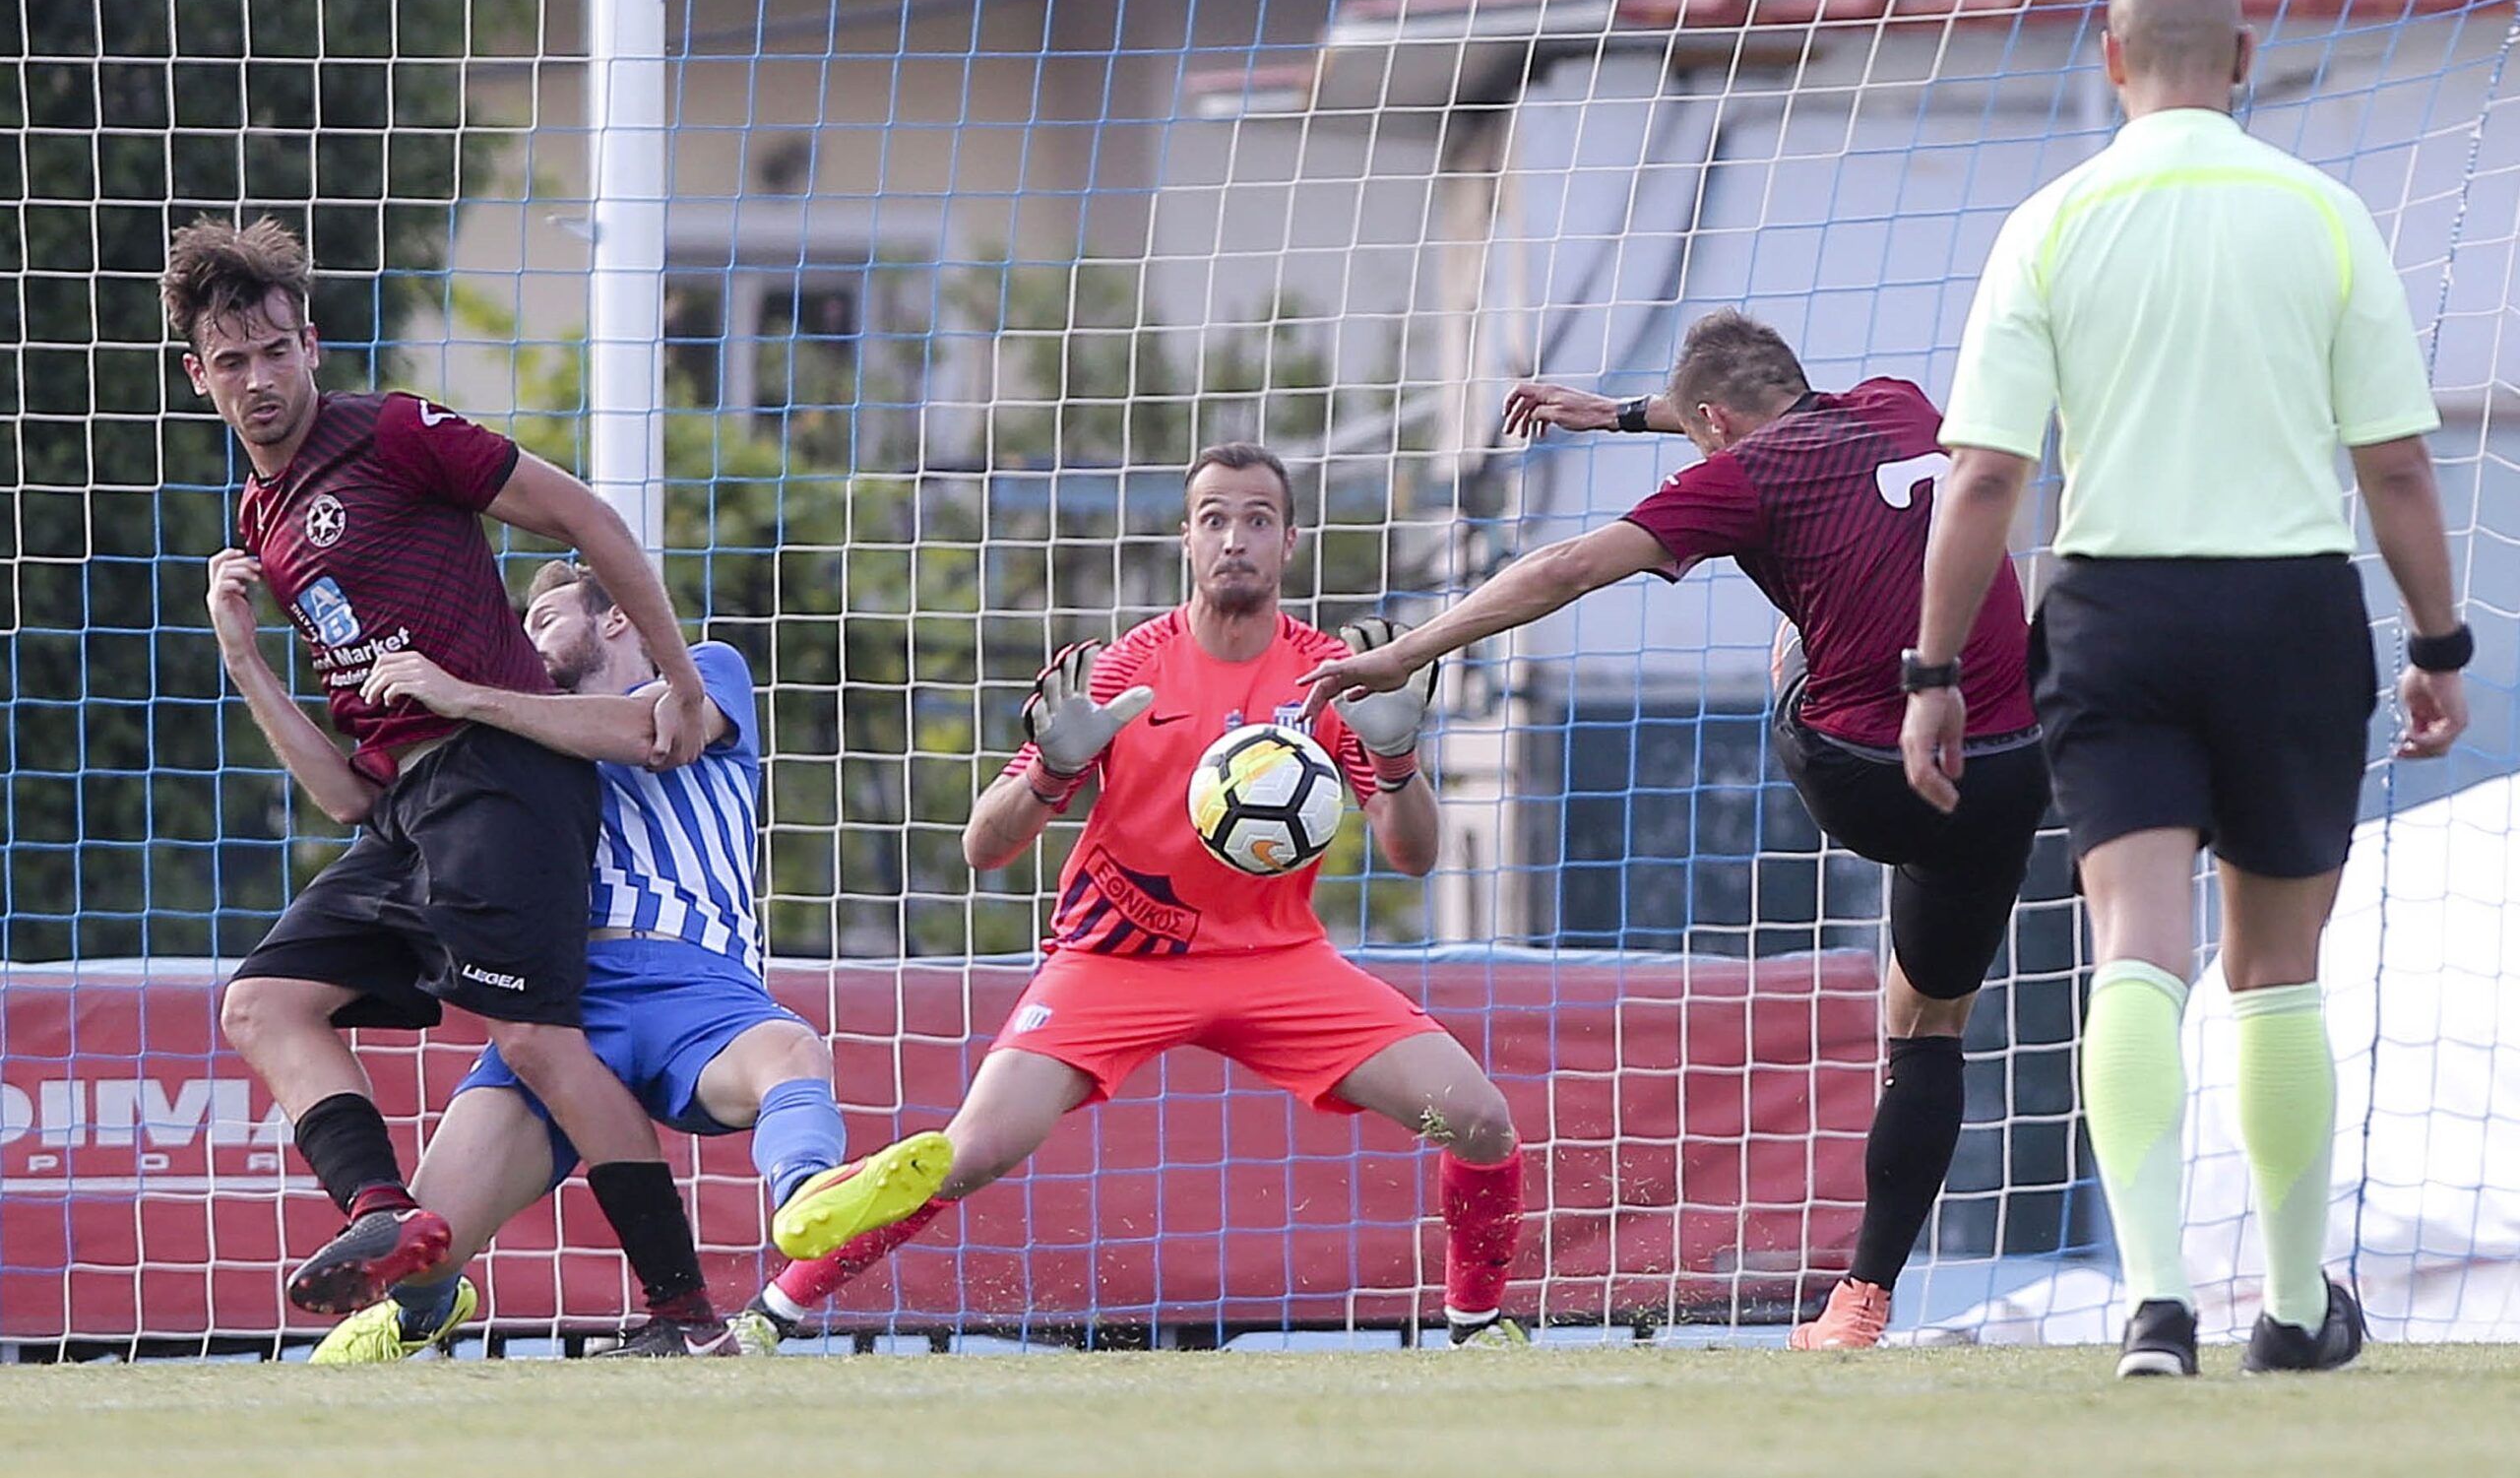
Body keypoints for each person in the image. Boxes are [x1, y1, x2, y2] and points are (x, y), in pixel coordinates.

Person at [1901, 0, 2468, 1379]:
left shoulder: (2051, 220)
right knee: (2276, 968)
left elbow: (1982, 480)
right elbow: (2395, 464)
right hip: (2289, 613)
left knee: (2133, 949)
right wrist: (2440, 643)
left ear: (2110, 55)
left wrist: (1932, 671)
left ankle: (2154, 1301)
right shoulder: (2326, 216)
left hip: (2115, 615)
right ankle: (2287, 1310)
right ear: (2245, 55)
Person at [1302, 310, 2049, 1350]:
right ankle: (1860, 1303)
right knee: (1926, 1030)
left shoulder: (1739, 478)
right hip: (2002, 764)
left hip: (1863, 770)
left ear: (1709, 423)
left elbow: (1564, 568)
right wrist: (1614, 416)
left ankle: (1857, 1304)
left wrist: (1405, 652)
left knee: (1795, 638)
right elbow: (1731, 398)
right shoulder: (1898, 400)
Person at [738, 441, 1530, 1349]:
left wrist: (1394, 757)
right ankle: (774, 1314)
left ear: (1291, 541)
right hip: (1116, 962)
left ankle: (1476, 1324)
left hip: (1279, 965)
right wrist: (1054, 768)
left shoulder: (1330, 673)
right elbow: (982, 846)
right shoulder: (1124, 669)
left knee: (1473, 1119)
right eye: (1215, 519)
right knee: (967, 1157)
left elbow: (1413, 854)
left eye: (1258, 520)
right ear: (1186, 539)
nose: (1236, 538)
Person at [178, 216, 728, 1351]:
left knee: (535, 1041)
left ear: (311, 344)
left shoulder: (390, 433)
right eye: (231, 361)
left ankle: (683, 1310)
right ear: (199, 378)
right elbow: (340, 793)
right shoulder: (261, 526)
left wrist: (675, 678)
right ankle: (394, 1226)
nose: (258, 378)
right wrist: (240, 649)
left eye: (274, 349)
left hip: (505, 774)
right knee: (262, 1001)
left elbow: (585, 515)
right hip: (405, 813)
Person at [305, 560, 951, 1361]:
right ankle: (420, 1309)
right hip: (559, 1006)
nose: (529, 638)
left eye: (546, 618)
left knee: (790, 1050)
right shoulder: (511, 737)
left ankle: (809, 1189)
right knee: (424, 1240)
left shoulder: (703, 670)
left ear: (615, 620)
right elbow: (362, 799)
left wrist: (462, 692)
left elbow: (649, 734)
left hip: (696, 982)